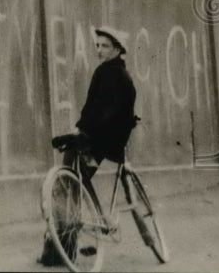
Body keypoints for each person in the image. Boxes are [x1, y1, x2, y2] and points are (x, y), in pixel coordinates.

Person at [38, 26, 138, 267]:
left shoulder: (116, 76)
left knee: (66, 186)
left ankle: (61, 250)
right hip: (100, 138)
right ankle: (66, 245)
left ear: (117, 49)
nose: (99, 50)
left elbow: (109, 112)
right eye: (97, 45)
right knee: (71, 182)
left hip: (100, 140)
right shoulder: (108, 72)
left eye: (104, 46)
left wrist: (83, 130)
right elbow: (95, 108)